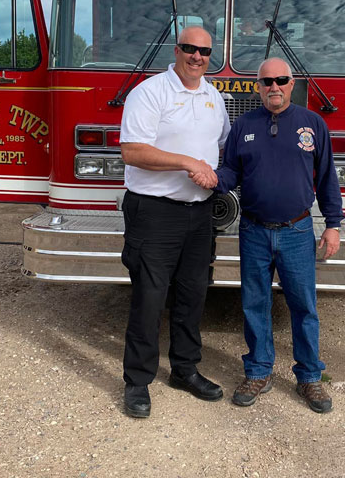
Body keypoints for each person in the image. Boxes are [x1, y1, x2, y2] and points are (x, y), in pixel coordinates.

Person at [204, 57, 344, 414]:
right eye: (266, 82)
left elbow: (327, 177)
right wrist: (208, 177)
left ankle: (310, 377)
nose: (274, 87)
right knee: (255, 304)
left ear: (292, 82)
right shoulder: (243, 126)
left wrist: (333, 224)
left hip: (297, 231)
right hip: (253, 231)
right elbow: (231, 171)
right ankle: (258, 371)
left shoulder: (312, 125)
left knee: (304, 307)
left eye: (280, 80)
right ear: (257, 87)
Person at [118, 26, 231, 418]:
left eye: (204, 51)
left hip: (199, 214)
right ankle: (137, 381)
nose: (197, 56)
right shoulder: (150, 92)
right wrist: (187, 163)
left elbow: (221, 148)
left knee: (192, 295)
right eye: (190, 49)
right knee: (149, 298)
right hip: (155, 212)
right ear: (176, 49)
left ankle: (185, 369)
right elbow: (132, 151)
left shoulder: (213, 96)